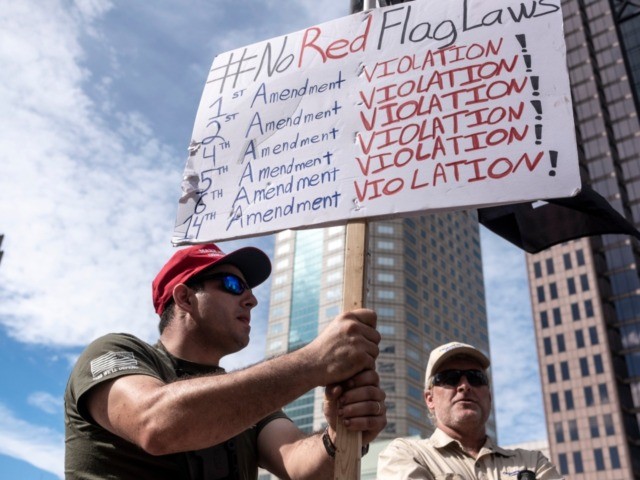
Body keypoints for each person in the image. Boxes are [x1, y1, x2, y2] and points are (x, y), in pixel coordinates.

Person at [65, 243, 386, 479]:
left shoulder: (250, 400)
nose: (252, 299)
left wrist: (339, 434)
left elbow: (299, 466)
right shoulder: (115, 352)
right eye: (233, 285)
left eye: (249, 289)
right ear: (185, 297)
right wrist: (314, 361)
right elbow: (157, 424)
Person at [377, 341, 563, 480]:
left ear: (489, 397)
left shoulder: (532, 462)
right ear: (430, 399)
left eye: (476, 378)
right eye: (450, 378)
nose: (465, 386)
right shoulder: (405, 454)